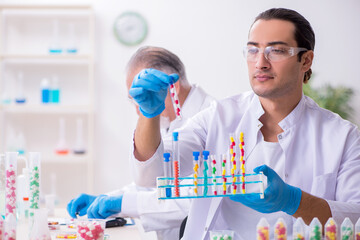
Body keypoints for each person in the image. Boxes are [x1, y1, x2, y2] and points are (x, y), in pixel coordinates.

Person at [128, 8, 360, 239]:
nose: (260, 62)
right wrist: (148, 116)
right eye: (252, 50)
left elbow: (356, 216)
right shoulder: (218, 117)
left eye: (276, 50)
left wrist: (295, 201)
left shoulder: (342, 137)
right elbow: (152, 174)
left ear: (306, 60)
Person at [66, 46, 214, 240]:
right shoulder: (171, 120)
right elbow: (155, 182)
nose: (139, 110)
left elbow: (193, 198)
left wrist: (123, 204)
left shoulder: (213, 120)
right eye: (136, 101)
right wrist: (108, 198)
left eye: (143, 98)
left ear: (173, 87)